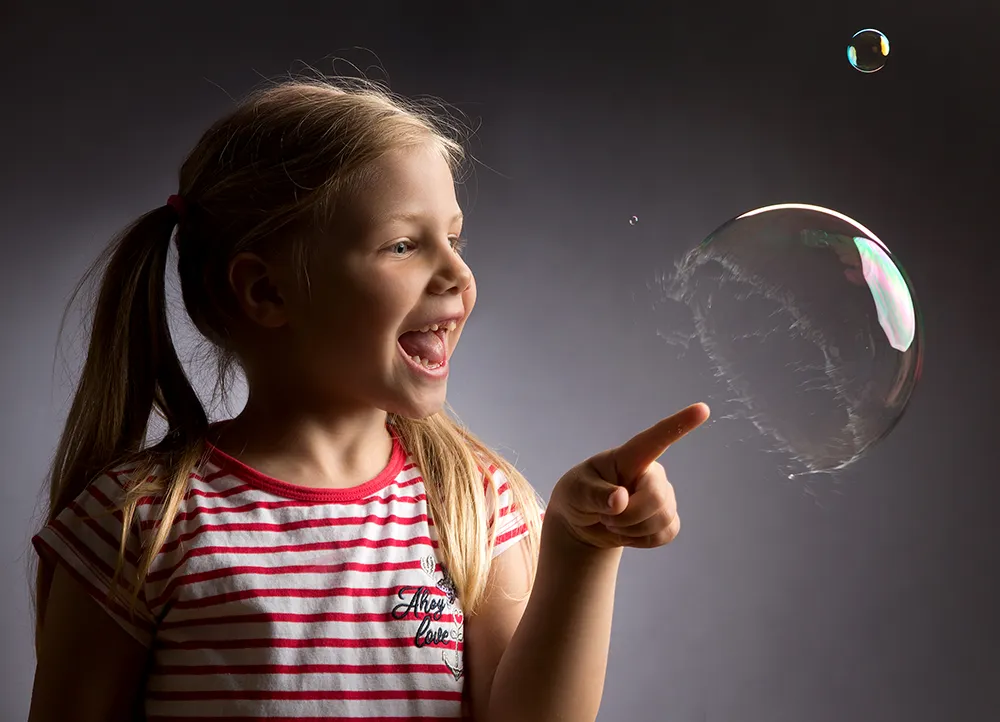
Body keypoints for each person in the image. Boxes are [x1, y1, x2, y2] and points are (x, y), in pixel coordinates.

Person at [28, 76, 710, 722]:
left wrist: (581, 547)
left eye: (455, 237)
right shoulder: (138, 522)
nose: (458, 273)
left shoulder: (475, 504)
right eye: (404, 244)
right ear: (266, 292)